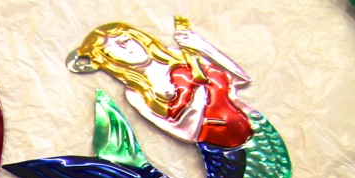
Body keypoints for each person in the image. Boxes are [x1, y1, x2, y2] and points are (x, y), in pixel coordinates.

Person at [69, 19, 254, 149]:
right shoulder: (136, 92)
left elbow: (240, 79)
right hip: (219, 147)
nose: (126, 49)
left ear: (140, 39)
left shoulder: (180, 56)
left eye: (126, 41)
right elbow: (187, 135)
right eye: (113, 49)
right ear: (108, 59)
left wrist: (201, 45)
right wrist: (198, 99)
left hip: (253, 123)